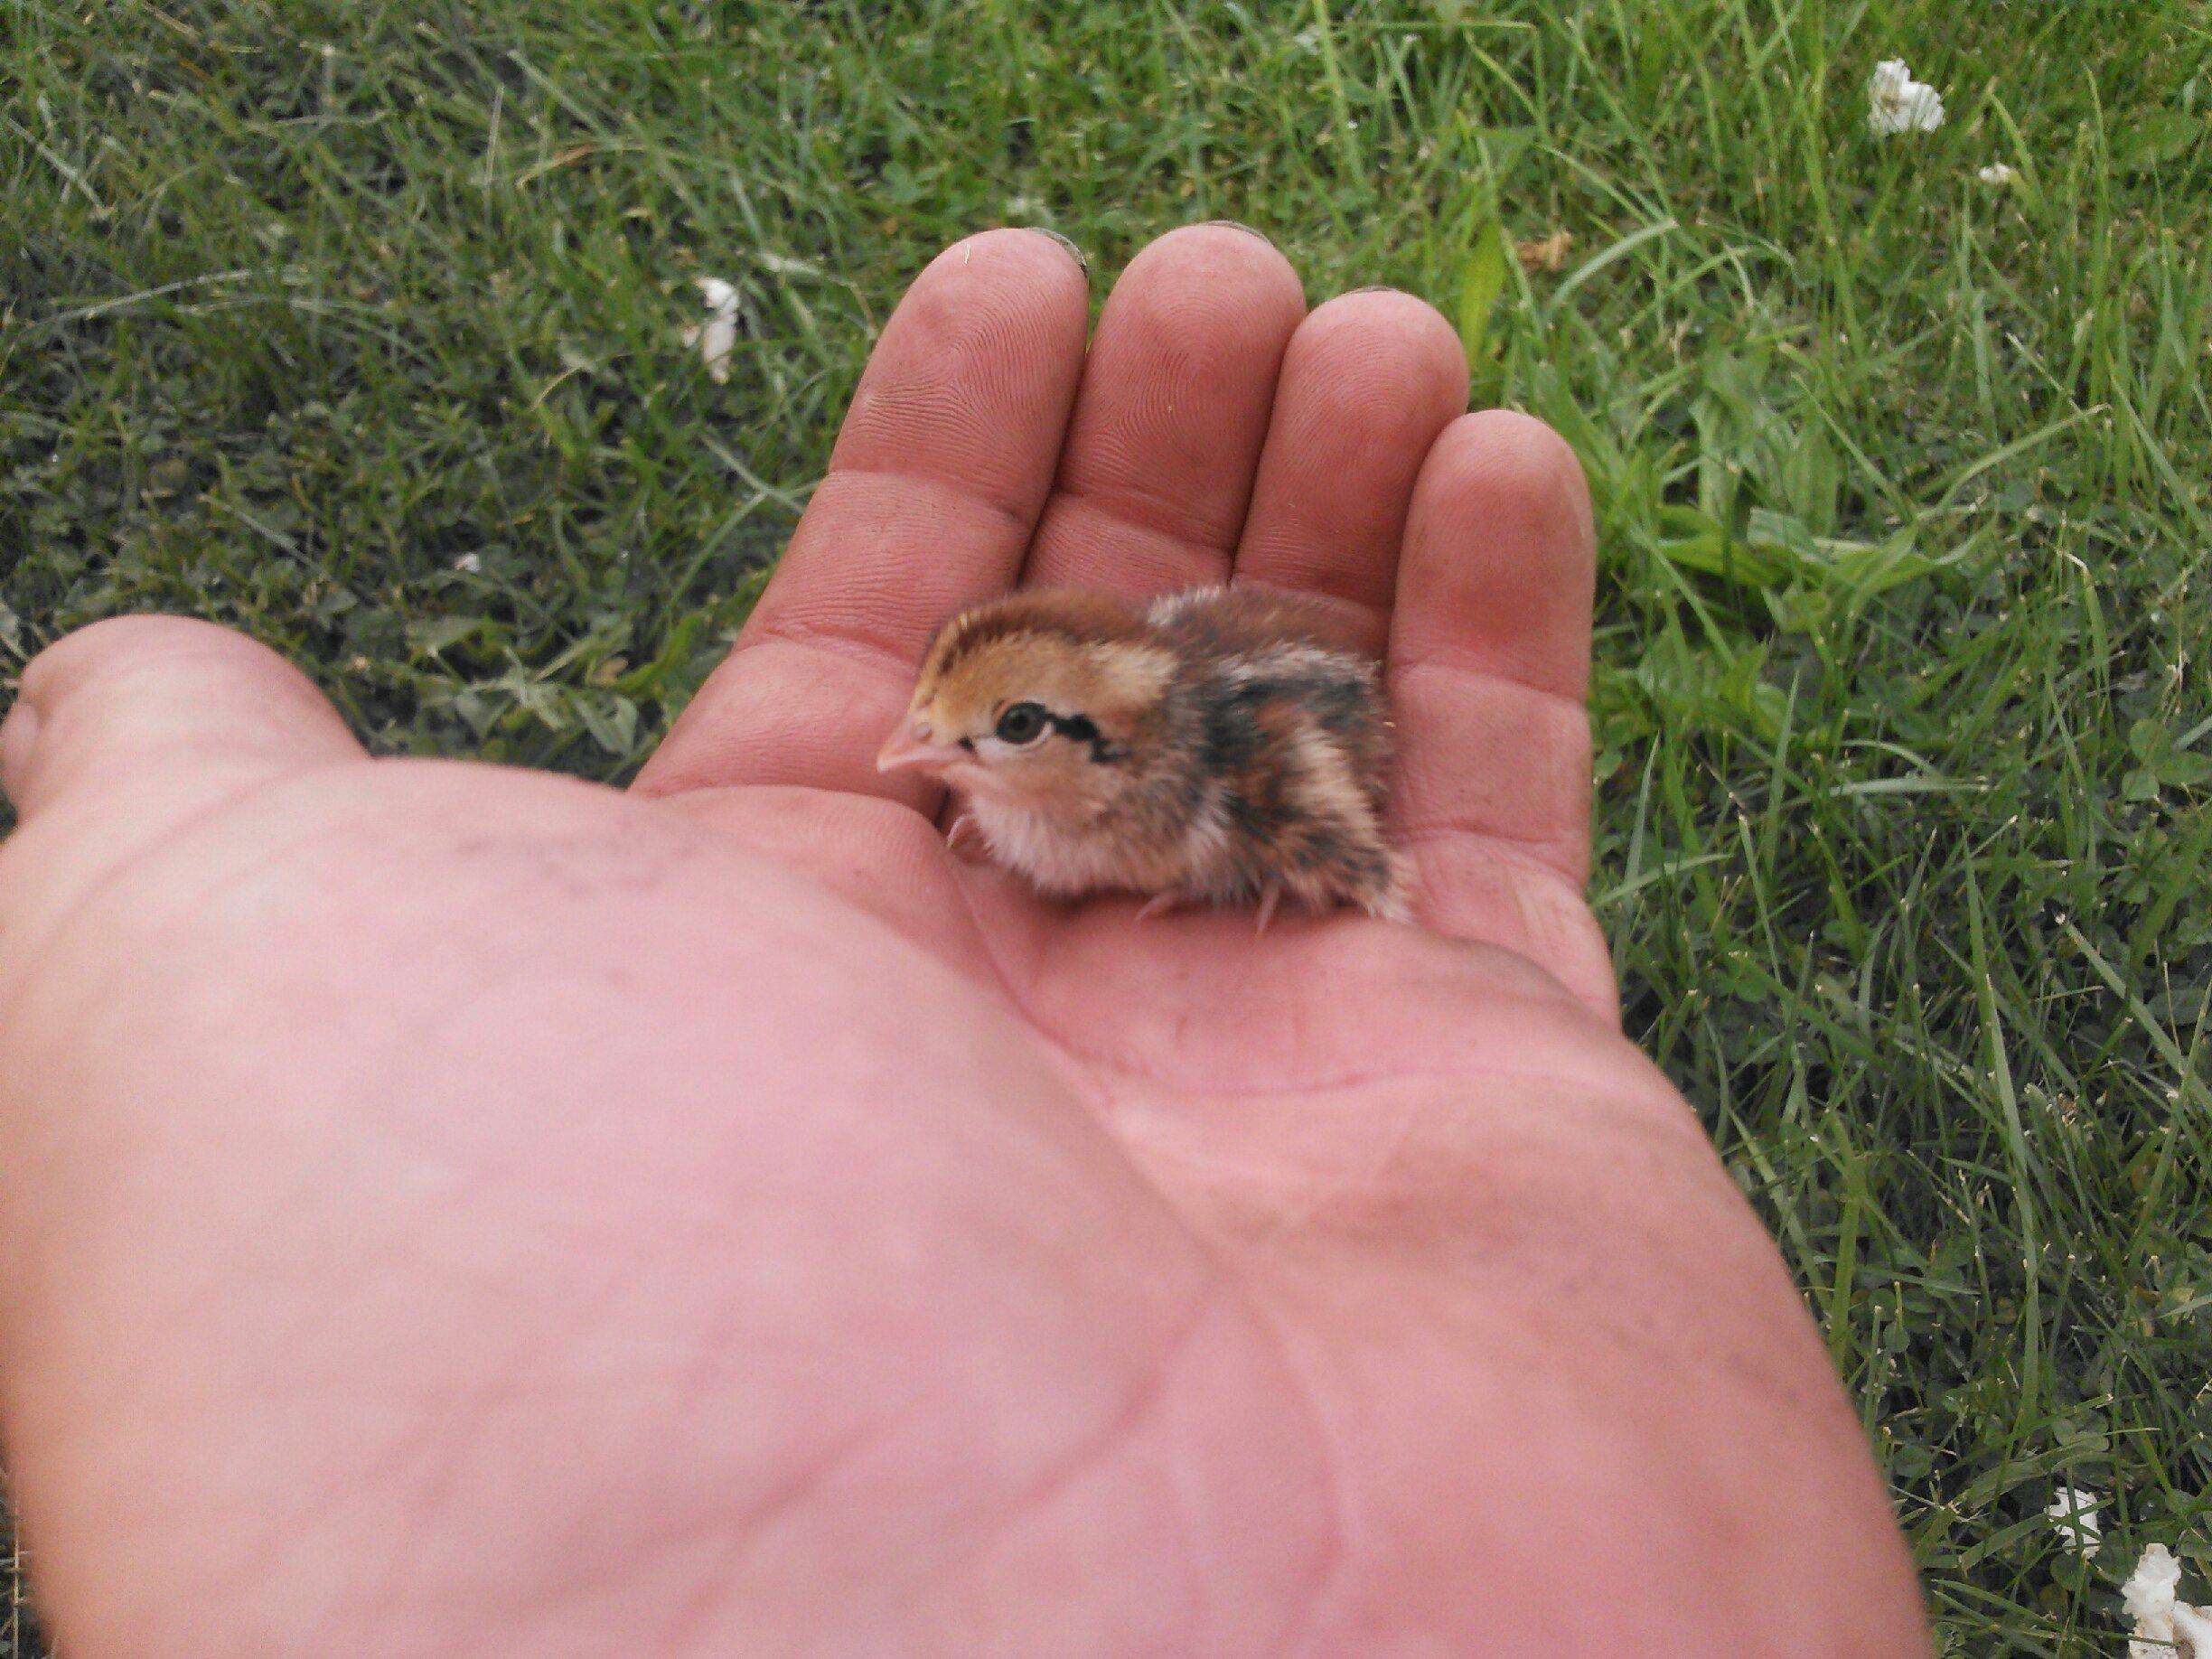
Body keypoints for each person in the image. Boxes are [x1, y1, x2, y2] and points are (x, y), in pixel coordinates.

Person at [0, 225, 1929, 1655]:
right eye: (945, 716)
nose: (928, 759)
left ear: (1095, 749)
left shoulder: (1185, 789)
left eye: (992, 738)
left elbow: (1263, 796)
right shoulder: (1055, 775)